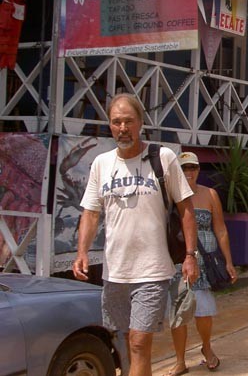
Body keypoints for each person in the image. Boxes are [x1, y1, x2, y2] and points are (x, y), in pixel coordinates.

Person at [73, 94, 199, 376]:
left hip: (152, 270)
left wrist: (191, 255)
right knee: (127, 341)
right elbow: (91, 213)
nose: (122, 128)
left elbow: (186, 209)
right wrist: (82, 252)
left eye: (128, 121)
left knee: (140, 342)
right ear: (109, 124)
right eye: (116, 122)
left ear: (140, 123)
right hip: (115, 270)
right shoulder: (101, 164)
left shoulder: (162, 158)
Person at [167, 152, 238, 376]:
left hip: (205, 260)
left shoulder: (210, 195)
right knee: (178, 312)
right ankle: (180, 360)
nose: (189, 173)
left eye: (193, 168)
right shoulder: (169, 195)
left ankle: (207, 347)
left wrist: (228, 261)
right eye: (184, 168)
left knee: (204, 311)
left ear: (198, 170)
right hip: (178, 260)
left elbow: (220, 229)